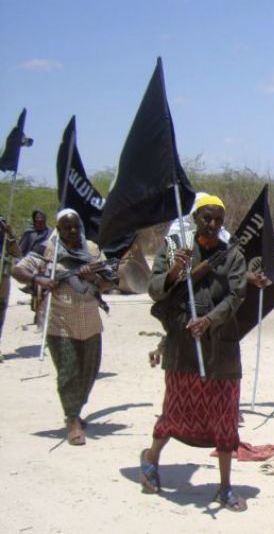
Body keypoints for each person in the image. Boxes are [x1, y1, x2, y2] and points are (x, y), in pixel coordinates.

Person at [139, 194, 249, 512]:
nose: (212, 224)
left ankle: (225, 487)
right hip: (183, 350)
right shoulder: (176, 250)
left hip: (221, 352)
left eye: (217, 219)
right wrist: (175, 270)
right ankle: (151, 459)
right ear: (195, 220)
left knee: (225, 419)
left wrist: (209, 320)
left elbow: (236, 295)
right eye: (206, 218)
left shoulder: (232, 256)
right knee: (174, 411)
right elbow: (155, 288)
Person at [12, 209, 114, 445]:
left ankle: (76, 407)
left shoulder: (91, 250)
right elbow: (18, 269)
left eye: (76, 226)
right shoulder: (48, 251)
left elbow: (110, 280)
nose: (72, 231)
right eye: (67, 227)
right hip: (59, 320)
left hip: (89, 319)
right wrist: (38, 279)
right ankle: (73, 421)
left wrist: (94, 279)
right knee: (68, 370)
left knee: (89, 370)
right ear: (58, 230)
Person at [0, 217, 22, 354]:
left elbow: (18, 253)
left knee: (1, 311)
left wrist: (10, 234)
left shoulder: (7, 241)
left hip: (3, 279)